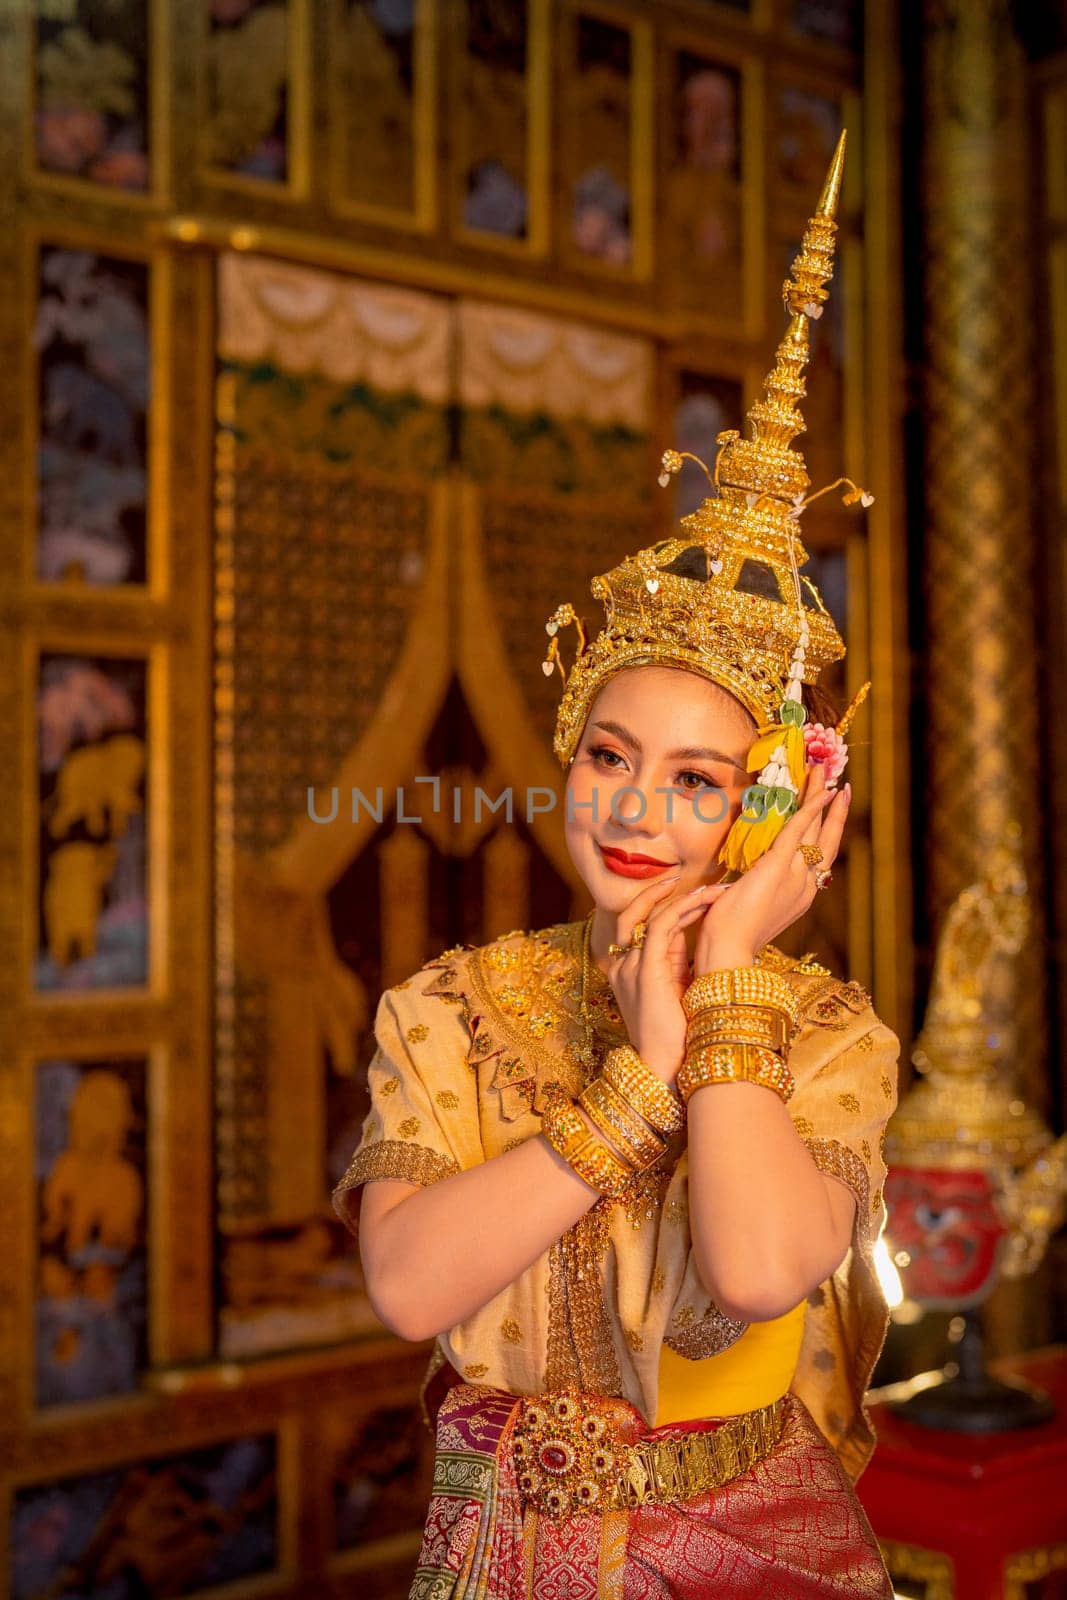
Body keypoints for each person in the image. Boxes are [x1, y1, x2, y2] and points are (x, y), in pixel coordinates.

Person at [333, 131, 899, 1599]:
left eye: (700, 780)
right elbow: (409, 1288)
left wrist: (716, 995)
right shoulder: (449, 1008)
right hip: (503, 1552)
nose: (635, 806)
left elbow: (767, 1267)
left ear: (772, 810)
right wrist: (632, 1083)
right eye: (607, 756)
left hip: (740, 1550)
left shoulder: (829, 1037)